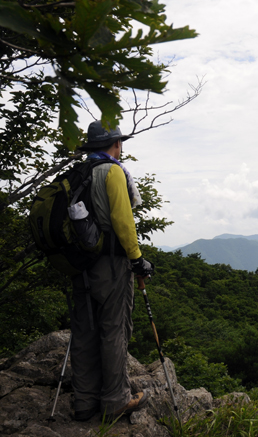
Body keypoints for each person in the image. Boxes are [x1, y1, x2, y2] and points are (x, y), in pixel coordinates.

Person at [71, 121, 154, 422]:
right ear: (116, 144)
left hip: (80, 264)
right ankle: (116, 399)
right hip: (110, 264)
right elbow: (123, 220)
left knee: (85, 329)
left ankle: (84, 401)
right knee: (114, 328)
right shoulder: (113, 171)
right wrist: (137, 260)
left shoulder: (79, 174)